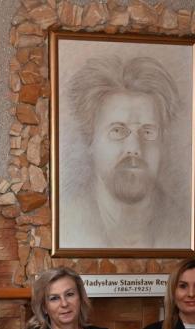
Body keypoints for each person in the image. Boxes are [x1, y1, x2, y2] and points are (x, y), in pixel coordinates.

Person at [61, 54, 186, 249]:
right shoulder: (67, 221)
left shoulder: (183, 225)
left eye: (147, 131)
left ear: (162, 141)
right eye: (117, 131)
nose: (134, 149)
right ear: (90, 140)